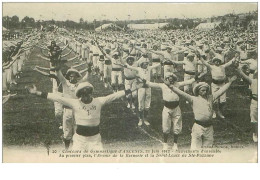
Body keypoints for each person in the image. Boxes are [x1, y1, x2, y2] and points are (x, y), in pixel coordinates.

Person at [26, 82, 134, 150]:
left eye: (87, 94)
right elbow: (56, 97)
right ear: (80, 95)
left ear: (91, 93)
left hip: (95, 140)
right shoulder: (75, 103)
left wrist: (134, 88)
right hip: (79, 141)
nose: (85, 97)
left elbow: (115, 95)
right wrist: (36, 93)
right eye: (83, 95)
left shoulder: (99, 101)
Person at [168, 76, 237, 149]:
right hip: (198, 127)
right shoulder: (193, 99)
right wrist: (171, 86)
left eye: (206, 90)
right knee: (195, 149)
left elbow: (221, 91)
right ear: (198, 91)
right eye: (202, 90)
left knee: (208, 149)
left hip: (209, 127)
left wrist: (230, 82)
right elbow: (182, 93)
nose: (205, 92)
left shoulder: (211, 98)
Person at [145, 72, 197, 150]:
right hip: (167, 108)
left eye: (172, 78)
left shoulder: (178, 84)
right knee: (166, 127)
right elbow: (150, 84)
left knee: (177, 127)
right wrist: (141, 78)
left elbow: (188, 82)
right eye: (169, 78)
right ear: (166, 79)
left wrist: (195, 78)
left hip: (176, 108)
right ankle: (165, 144)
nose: (170, 80)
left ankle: (175, 144)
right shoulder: (162, 85)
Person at [236, 68, 258, 142]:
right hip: (255, 101)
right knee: (254, 119)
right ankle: (255, 133)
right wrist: (237, 68)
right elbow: (243, 75)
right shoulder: (253, 81)